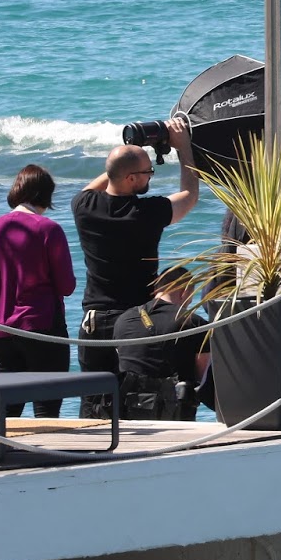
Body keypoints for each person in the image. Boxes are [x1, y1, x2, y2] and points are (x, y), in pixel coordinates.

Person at [71, 118, 199, 417]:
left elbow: (104, 180)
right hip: (133, 322)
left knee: (92, 404)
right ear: (130, 179)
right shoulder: (146, 213)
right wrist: (184, 149)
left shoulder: (83, 206)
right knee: (136, 402)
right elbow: (190, 196)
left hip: (93, 320)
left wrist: (131, 152)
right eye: (147, 172)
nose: (151, 177)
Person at [0, 165, 77, 418]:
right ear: (47, 195)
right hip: (42, 328)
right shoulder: (48, 229)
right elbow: (67, 286)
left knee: (8, 409)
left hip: (0, 329)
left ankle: (2, 453)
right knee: (46, 407)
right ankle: (45, 456)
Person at [112, 266, 210, 421]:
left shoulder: (124, 320)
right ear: (184, 292)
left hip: (128, 411)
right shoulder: (192, 321)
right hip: (175, 414)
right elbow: (203, 375)